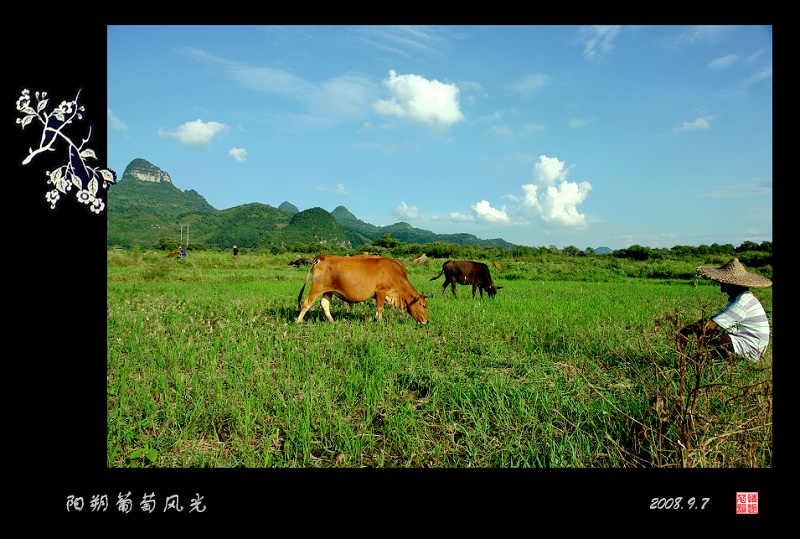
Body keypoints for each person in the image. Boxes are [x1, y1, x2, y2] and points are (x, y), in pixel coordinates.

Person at [679, 258, 771, 362]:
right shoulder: (738, 298)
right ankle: (722, 361)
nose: (721, 284)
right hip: (749, 343)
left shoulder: (743, 302)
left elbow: (711, 324)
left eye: (723, 282)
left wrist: (685, 332)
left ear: (732, 284)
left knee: (706, 333)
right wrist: (688, 329)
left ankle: (724, 362)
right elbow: (716, 318)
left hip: (751, 348)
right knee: (706, 331)